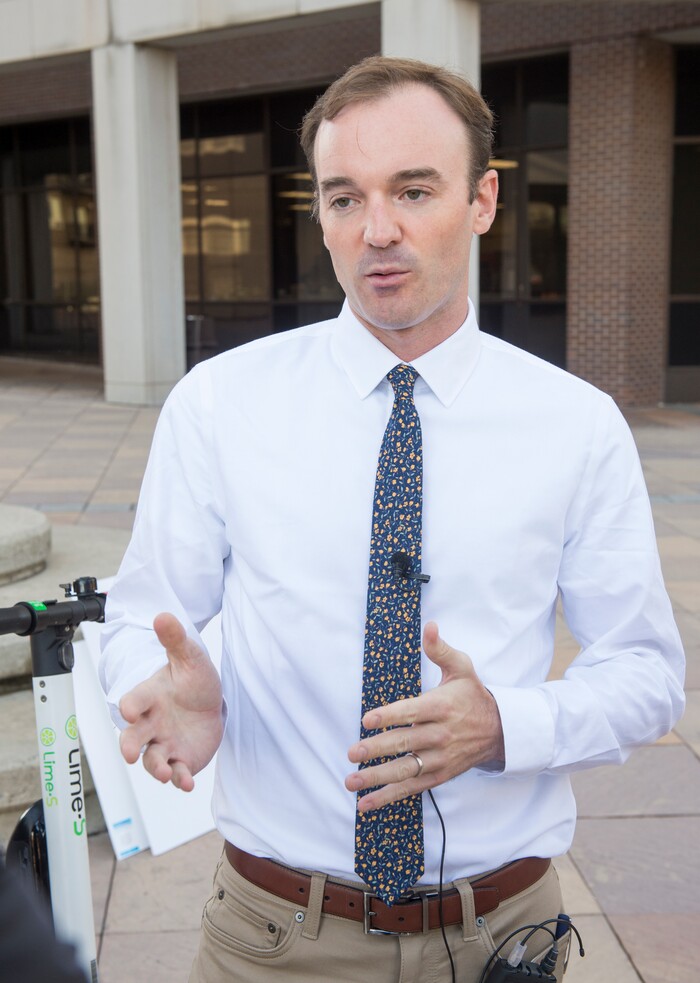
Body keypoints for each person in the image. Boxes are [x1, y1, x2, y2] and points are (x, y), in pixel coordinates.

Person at [100, 56, 685, 983]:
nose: (377, 231)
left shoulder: (576, 426)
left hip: (503, 935)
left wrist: (503, 725)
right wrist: (163, 686)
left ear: (484, 200)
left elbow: (647, 674)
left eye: (414, 190)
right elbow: (141, 617)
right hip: (275, 939)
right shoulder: (221, 405)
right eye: (344, 198)